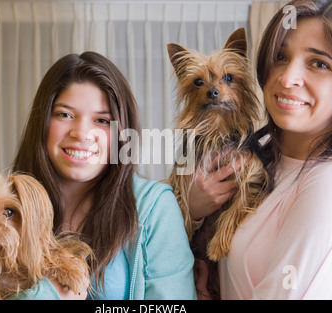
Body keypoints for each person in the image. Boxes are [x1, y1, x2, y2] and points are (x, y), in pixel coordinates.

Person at [191, 0, 332, 299]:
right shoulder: (260, 159)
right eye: (281, 57)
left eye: (319, 63)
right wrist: (194, 213)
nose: (286, 78)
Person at [12, 51, 196, 299]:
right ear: (41, 122)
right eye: (64, 114)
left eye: (101, 120)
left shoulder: (154, 207)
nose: (82, 133)